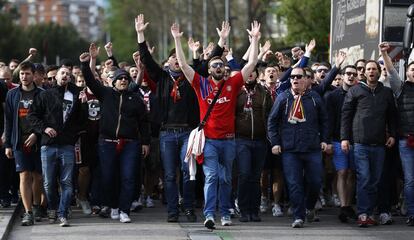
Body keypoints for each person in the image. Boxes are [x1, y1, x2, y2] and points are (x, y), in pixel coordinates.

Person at [172, 20, 261, 229]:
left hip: (229, 141)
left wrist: (255, 40)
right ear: (209, 70)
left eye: (221, 64)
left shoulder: (233, 83)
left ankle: (226, 213)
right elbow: (184, 65)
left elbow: (251, 64)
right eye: (214, 65)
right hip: (209, 141)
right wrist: (177, 39)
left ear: (225, 69)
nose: (218, 67)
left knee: (227, 178)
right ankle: (210, 214)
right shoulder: (200, 83)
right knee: (212, 176)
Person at [135, 14, 203, 222]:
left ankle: (189, 207)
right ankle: (173, 210)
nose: (176, 60)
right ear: (167, 62)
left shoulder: (191, 79)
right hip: (166, 133)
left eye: (179, 58)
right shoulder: (162, 78)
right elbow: (146, 60)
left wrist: (194, 53)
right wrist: (140, 34)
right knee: (170, 175)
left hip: (186, 132)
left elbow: (203, 67)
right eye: (172, 58)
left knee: (187, 170)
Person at [79, 43, 150, 224]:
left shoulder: (135, 99)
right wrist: (86, 63)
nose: (124, 80)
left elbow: (143, 122)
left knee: (128, 177)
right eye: (120, 78)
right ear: (113, 82)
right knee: (109, 176)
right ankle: (114, 207)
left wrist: (145, 142)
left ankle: (125, 210)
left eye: (126, 78)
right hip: (107, 142)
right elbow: (90, 80)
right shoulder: (105, 94)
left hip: (130, 143)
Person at [268, 67, 329, 228]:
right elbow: (272, 122)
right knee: (294, 184)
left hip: (312, 148)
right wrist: (275, 142)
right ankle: (298, 216)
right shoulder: (283, 98)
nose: (295, 79)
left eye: (298, 76)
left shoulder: (314, 98)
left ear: (306, 79)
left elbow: (324, 121)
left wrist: (324, 139)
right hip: (290, 149)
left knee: (315, 181)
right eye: (292, 77)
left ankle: (309, 207)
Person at [28, 65, 88, 227]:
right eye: (63, 73)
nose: (65, 76)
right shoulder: (45, 95)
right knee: (48, 182)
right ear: (55, 76)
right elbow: (32, 116)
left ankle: (62, 213)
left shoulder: (75, 95)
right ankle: (52, 208)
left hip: (67, 145)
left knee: (67, 183)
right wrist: (44, 129)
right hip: (48, 145)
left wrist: (83, 105)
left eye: (68, 74)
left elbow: (82, 122)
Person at [341, 60, 397, 227]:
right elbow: (346, 116)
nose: (371, 71)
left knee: (376, 180)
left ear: (379, 72)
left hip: (380, 144)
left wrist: (393, 134)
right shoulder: (355, 90)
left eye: (374, 69)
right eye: (368, 69)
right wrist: (344, 138)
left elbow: (392, 117)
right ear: (364, 72)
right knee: (364, 178)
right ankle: (363, 213)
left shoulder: (386, 92)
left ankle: (373, 212)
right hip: (360, 144)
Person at [4, 61, 43, 226]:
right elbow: (8, 120)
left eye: (27, 74)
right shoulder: (12, 94)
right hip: (19, 142)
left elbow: (47, 118)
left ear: (33, 75)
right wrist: (8, 144)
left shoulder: (42, 94)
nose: (24, 77)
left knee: (38, 177)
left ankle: (36, 207)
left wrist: (36, 134)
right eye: (21, 74)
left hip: (39, 141)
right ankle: (28, 212)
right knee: (24, 175)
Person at [380, 42, 414, 226]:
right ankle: (412, 213)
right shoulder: (400, 88)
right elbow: (391, 71)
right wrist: (385, 54)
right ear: (407, 73)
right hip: (406, 141)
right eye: (413, 69)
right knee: (410, 180)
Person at [235, 66, 272, 222]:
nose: (250, 74)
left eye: (253, 72)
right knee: (244, 174)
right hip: (241, 139)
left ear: (257, 74)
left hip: (260, 140)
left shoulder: (264, 92)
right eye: (247, 72)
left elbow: (270, 115)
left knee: (256, 176)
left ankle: (254, 210)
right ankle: (243, 210)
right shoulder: (236, 91)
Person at [324, 65, 358, 222]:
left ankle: (348, 205)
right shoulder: (332, 96)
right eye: (348, 74)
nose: (350, 76)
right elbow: (328, 121)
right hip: (337, 139)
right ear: (342, 76)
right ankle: (343, 206)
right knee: (342, 172)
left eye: (354, 74)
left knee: (351, 173)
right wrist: (327, 140)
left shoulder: (360, 94)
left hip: (356, 140)